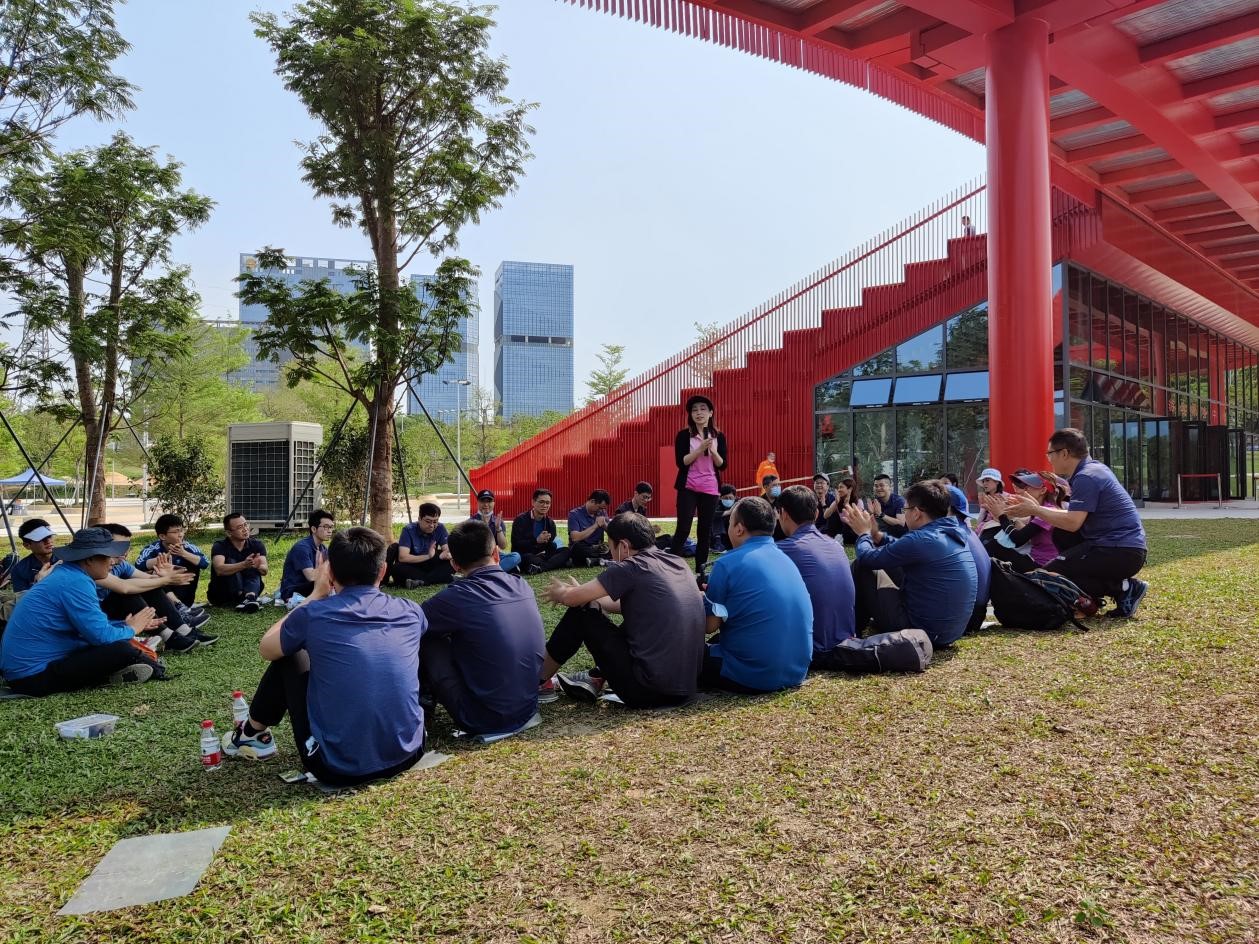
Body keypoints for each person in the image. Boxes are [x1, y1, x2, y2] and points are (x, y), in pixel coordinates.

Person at [222, 527, 426, 786]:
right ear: (383, 570)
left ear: (329, 572)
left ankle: (251, 733)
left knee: (289, 655)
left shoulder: (314, 615)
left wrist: (315, 595)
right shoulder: (410, 610)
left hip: (337, 768)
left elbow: (267, 648)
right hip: (410, 751)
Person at [540, 512, 704, 708]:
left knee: (582, 613)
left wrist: (563, 593)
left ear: (624, 546)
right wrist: (584, 594)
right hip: (686, 688)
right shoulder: (677, 562)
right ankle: (591, 675)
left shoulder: (631, 566)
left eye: (611, 548)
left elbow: (571, 599)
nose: (611, 555)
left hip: (648, 691)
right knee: (601, 610)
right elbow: (630, 604)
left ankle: (537, 681)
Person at [0, 527, 164, 696]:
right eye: (107, 556)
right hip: (32, 677)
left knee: (120, 645)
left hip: (27, 671)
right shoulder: (76, 582)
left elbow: (88, 628)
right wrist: (132, 629)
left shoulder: (68, 574)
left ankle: (116, 671)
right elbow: (101, 637)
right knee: (122, 650)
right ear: (90, 559)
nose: (113, 562)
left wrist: (124, 625)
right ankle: (112, 675)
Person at [419, 520, 545, 735]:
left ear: (455, 565)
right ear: (496, 553)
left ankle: (421, 706)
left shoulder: (455, 597)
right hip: (528, 708)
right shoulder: (521, 584)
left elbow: (410, 623)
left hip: (482, 719)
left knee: (426, 636)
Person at [1006, 428, 1148, 617]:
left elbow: (1073, 522)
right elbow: (1071, 518)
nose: (1049, 459)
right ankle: (1112, 591)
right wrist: (1036, 508)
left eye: (1050, 453)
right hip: (1119, 548)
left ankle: (1124, 588)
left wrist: (1035, 510)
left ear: (1064, 453)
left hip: (1120, 551)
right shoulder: (1093, 470)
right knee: (1061, 535)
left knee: (1050, 575)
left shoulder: (1086, 477)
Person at [700, 496, 812, 693]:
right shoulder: (785, 558)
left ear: (739, 529)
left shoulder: (726, 564)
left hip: (752, 676)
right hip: (796, 671)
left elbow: (710, 625)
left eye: (730, 522)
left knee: (685, 651)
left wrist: (698, 599)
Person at [846, 480, 978, 647]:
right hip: (949, 633)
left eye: (905, 510)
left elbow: (867, 558)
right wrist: (877, 536)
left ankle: (852, 631)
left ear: (916, 513)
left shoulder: (922, 539)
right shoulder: (951, 533)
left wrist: (863, 534)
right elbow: (902, 547)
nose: (905, 514)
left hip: (921, 633)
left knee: (861, 566)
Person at [97, 523, 215, 652]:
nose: (124, 552)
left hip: (111, 612)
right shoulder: (94, 567)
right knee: (128, 592)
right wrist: (165, 579)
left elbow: (147, 579)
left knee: (150, 585)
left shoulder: (121, 564)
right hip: (100, 617)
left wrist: (161, 576)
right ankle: (169, 637)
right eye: (118, 546)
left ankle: (183, 630)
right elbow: (124, 587)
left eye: (126, 546)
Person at [775, 486, 856, 663]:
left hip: (812, 648)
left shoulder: (781, 550)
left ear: (783, 514)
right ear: (817, 514)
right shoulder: (835, 546)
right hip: (844, 639)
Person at [669, 395, 727, 579]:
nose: (699, 413)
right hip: (688, 487)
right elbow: (682, 462)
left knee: (704, 531)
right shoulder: (683, 435)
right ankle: (670, 570)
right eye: (694, 410)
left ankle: (700, 572)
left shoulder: (719, 436)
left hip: (710, 488)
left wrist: (713, 451)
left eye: (703, 409)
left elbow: (722, 465)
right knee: (683, 529)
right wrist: (699, 449)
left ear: (710, 413)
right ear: (690, 415)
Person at [979, 469, 1065, 571]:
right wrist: (1007, 515)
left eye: (1028, 487)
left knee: (993, 547)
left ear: (1042, 491)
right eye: (1023, 487)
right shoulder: (1041, 509)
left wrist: (1002, 516)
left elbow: (1018, 539)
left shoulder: (1047, 511)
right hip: (1035, 558)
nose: (1023, 490)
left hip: (1041, 565)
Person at [134, 514, 211, 610]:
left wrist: (183, 553)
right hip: (162, 596)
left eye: (181, 530)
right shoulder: (153, 549)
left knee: (194, 561)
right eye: (176, 532)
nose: (180, 534)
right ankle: (175, 605)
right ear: (162, 536)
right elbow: (138, 565)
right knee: (155, 570)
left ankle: (183, 605)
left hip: (185, 596)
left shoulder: (188, 547)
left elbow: (205, 563)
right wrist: (162, 559)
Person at [209, 512, 270, 611]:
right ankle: (244, 599)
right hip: (223, 594)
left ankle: (249, 597)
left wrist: (258, 566)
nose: (245, 529)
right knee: (231, 561)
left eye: (245, 525)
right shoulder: (220, 546)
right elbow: (219, 569)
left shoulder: (256, 544)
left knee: (253, 565)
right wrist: (243, 565)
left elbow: (265, 570)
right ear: (229, 533)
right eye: (239, 527)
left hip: (250, 589)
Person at [387, 503, 454, 588]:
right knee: (397, 568)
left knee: (450, 563)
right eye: (428, 521)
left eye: (435, 522)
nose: (432, 525)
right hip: (413, 564)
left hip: (431, 563)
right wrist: (428, 556)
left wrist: (447, 555)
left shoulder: (440, 528)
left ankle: (420, 581)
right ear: (419, 519)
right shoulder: (408, 530)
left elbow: (447, 550)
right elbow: (403, 557)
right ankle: (432, 579)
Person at [511, 489, 572, 574]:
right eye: (541, 502)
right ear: (533, 502)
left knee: (566, 551)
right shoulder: (520, 520)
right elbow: (516, 544)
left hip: (543, 555)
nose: (545, 505)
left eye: (548, 503)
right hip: (526, 554)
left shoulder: (550, 523)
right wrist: (536, 540)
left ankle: (540, 568)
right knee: (529, 558)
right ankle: (553, 564)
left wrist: (548, 542)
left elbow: (550, 546)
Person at [279, 509, 334, 602]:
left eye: (331, 527)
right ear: (313, 529)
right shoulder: (302, 548)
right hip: (294, 590)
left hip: (310, 587)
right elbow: (311, 576)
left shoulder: (323, 548)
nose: (330, 531)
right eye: (326, 527)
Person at [468, 489, 521, 573]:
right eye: (483, 501)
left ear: (493, 503)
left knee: (516, 556)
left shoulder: (498, 521)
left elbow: (503, 546)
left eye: (489, 501)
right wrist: (485, 527)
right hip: (479, 557)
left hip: (495, 556)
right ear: (478, 502)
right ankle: (498, 571)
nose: (486, 504)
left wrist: (498, 528)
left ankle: (487, 572)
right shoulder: (471, 522)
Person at [615, 481, 671, 549]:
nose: (646, 500)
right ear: (636, 493)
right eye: (644, 497)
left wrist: (650, 529)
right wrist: (649, 530)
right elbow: (622, 533)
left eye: (648, 498)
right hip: (629, 545)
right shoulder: (623, 510)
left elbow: (643, 528)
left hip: (642, 541)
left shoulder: (642, 509)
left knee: (667, 538)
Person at [9, 518, 57, 593]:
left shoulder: (67, 559)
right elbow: (23, 598)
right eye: (41, 538)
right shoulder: (20, 570)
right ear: (27, 545)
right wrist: (38, 583)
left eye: (49, 536)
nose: (48, 541)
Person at [567, 489, 612, 566]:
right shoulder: (574, 514)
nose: (601, 510)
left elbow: (613, 532)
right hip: (583, 547)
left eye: (603, 509)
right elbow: (575, 537)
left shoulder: (602, 512)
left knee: (616, 546)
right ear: (592, 501)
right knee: (577, 549)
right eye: (599, 508)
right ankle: (601, 559)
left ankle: (594, 560)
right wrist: (595, 526)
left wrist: (604, 524)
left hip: (598, 548)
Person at [821, 476, 865, 545]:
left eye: (841, 487)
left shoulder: (858, 502)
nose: (839, 490)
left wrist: (847, 505)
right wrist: (836, 503)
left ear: (850, 489)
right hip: (842, 530)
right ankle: (831, 537)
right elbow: (826, 516)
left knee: (847, 524)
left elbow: (858, 520)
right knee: (833, 516)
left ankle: (841, 539)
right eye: (838, 488)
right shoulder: (838, 500)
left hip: (854, 531)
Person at [973, 468, 1004, 534]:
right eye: (983, 481)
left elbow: (1004, 519)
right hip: (983, 528)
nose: (984, 483)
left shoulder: (1005, 497)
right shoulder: (984, 497)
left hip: (997, 531)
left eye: (987, 480)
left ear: (997, 482)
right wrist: (972, 529)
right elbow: (981, 516)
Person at [710, 483, 737, 553]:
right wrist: (728, 512)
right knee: (716, 517)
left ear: (735, 497)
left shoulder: (739, 503)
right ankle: (718, 543)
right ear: (720, 497)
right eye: (725, 498)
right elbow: (710, 514)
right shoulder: (716, 503)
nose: (728, 500)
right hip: (719, 535)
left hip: (733, 533)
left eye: (730, 498)